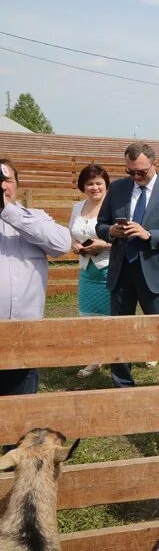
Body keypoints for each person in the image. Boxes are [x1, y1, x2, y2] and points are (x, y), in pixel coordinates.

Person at [96, 143, 159, 388]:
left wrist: (149, 234)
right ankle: (122, 384)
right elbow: (100, 225)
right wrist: (111, 230)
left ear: (155, 165)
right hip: (121, 271)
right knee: (120, 331)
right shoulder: (119, 188)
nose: (135, 177)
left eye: (140, 172)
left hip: (154, 271)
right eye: (130, 172)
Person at [0, 158, 71, 395]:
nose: (2, 187)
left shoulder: (33, 217)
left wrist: (10, 213)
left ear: (17, 185)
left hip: (24, 337)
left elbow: (61, 244)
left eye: (7, 180)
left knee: (22, 414)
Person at [69, 164, 113, 378]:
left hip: (110, 268)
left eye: (98, 183)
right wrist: (75, 245)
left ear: (106, 185)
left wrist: (103, 245)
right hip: (87, 270)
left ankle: (119, 355)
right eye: (89, 183)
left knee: (113, 316)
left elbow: (124, 238)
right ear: (82, 186)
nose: (94, 187)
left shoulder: (114, 206)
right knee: (88, 315)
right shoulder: (77, 207)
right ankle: (95, 358)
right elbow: (73, 233)